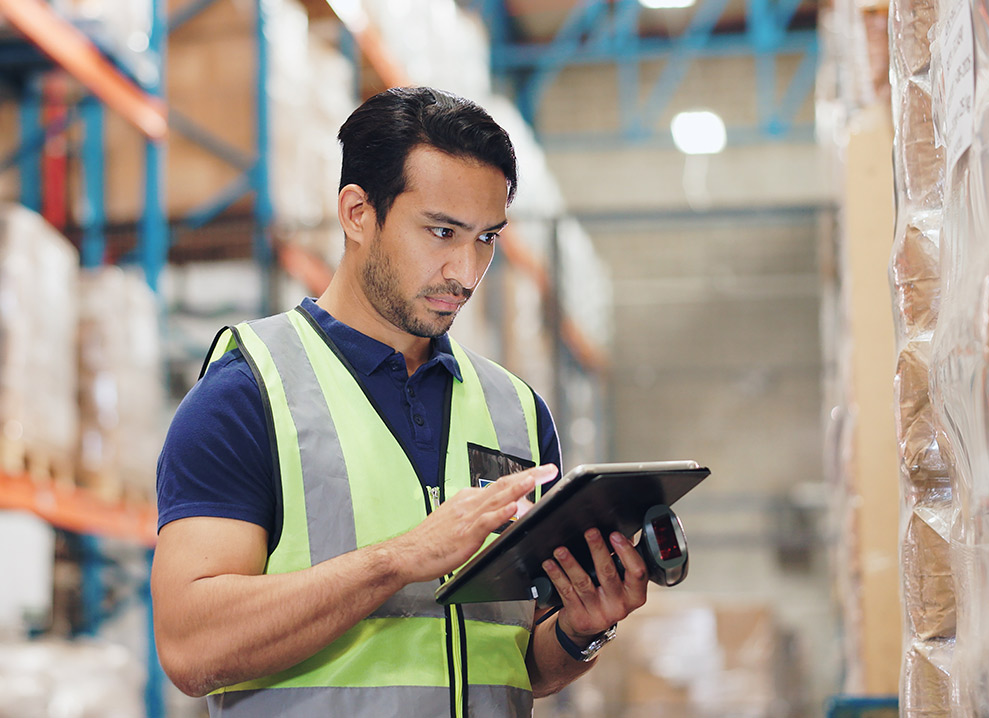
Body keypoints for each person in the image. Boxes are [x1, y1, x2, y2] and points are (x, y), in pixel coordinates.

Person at [151, 86, 650, 717]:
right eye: (442, 232)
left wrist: (582, 631)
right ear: (358, 213)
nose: (466, 272)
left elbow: (515, 661)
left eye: (486, 239)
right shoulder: (247, 395)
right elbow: (191, 647)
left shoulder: (516, 411)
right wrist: (398, 561)